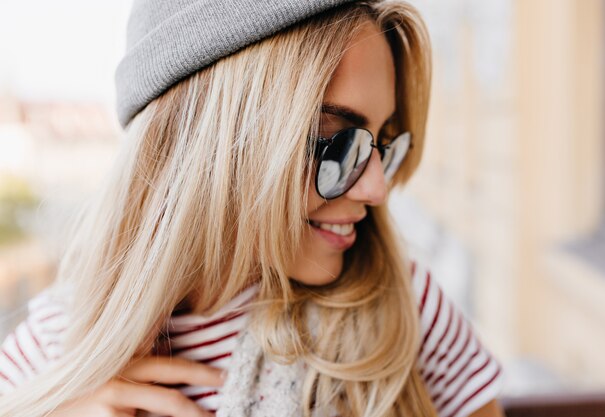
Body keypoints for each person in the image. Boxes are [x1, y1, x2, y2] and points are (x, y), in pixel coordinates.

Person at [0, 1, 505, 416]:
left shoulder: (403, 311)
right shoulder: (52, 350)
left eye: (382, 143)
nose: (375, 189)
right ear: (204, 144)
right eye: (335, 143)